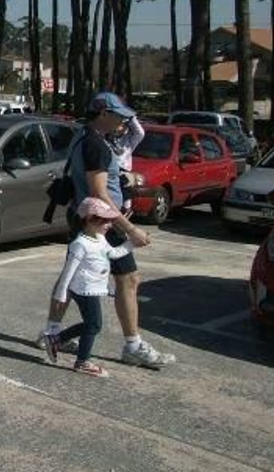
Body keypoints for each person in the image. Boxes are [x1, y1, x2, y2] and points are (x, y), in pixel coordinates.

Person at [40, 91, 174, 369]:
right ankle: (132, 346)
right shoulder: (96, 145)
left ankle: (52, 333)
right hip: (103, 222)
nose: (123, 122)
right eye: (119, 116)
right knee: (129, 279)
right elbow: (99, 191)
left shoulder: (84, 137)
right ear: (103, 114)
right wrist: (131, 229)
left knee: (73, 276)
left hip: (86, 217)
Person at [41, 197, 136, 376]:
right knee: (94, 324)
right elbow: (68, 271)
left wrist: (131, 244)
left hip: (92, 288)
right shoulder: (80, 244)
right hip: (83, 290)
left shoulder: (100, 238)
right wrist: (61, 293)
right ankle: (81, 361)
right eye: (105, 220)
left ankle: (57, 340)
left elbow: (113, 253)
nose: (109, 224)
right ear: (90, 220)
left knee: (92, 324)